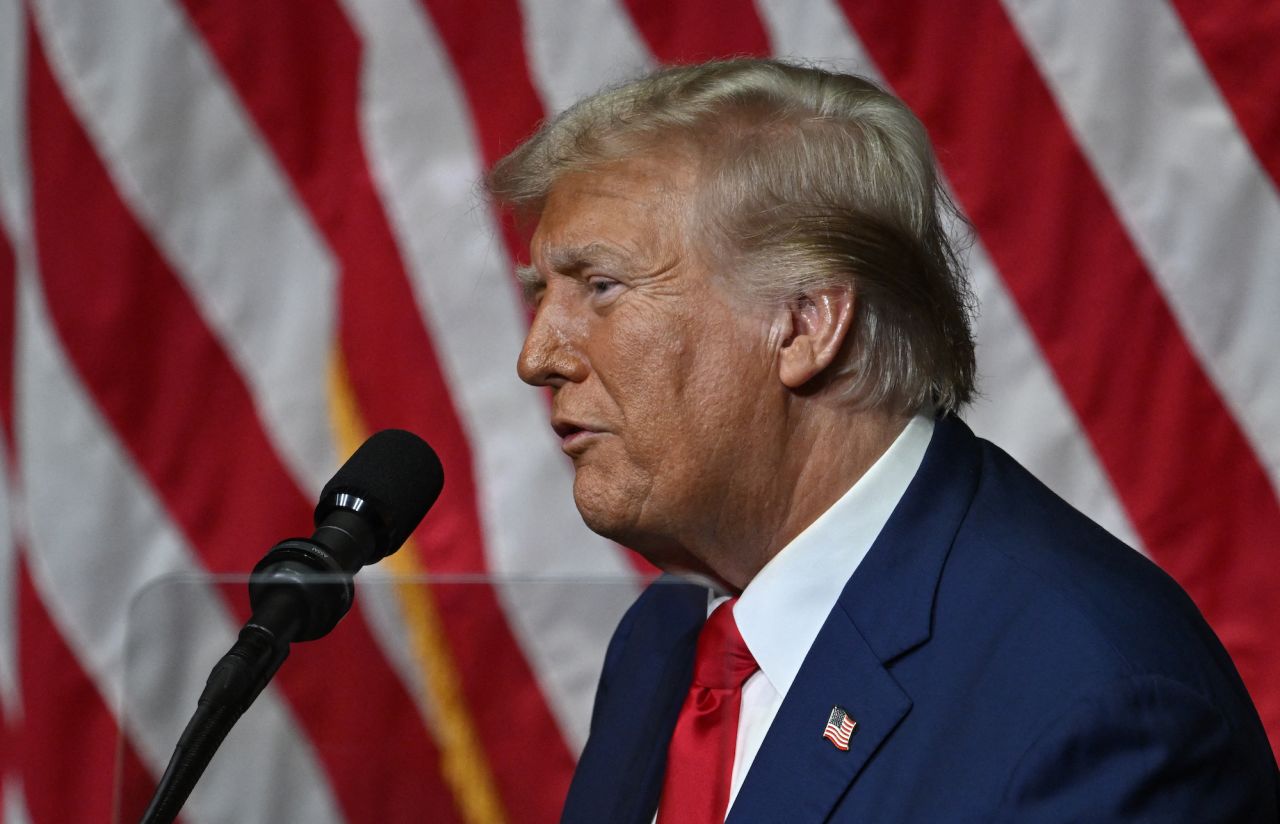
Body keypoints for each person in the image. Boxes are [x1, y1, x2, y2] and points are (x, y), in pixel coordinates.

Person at [487, 58, 1279, 822]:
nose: (537, 357)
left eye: (601, 287)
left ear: (804, 324)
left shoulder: (1094, 701)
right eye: (540, 294)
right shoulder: (662, 643)